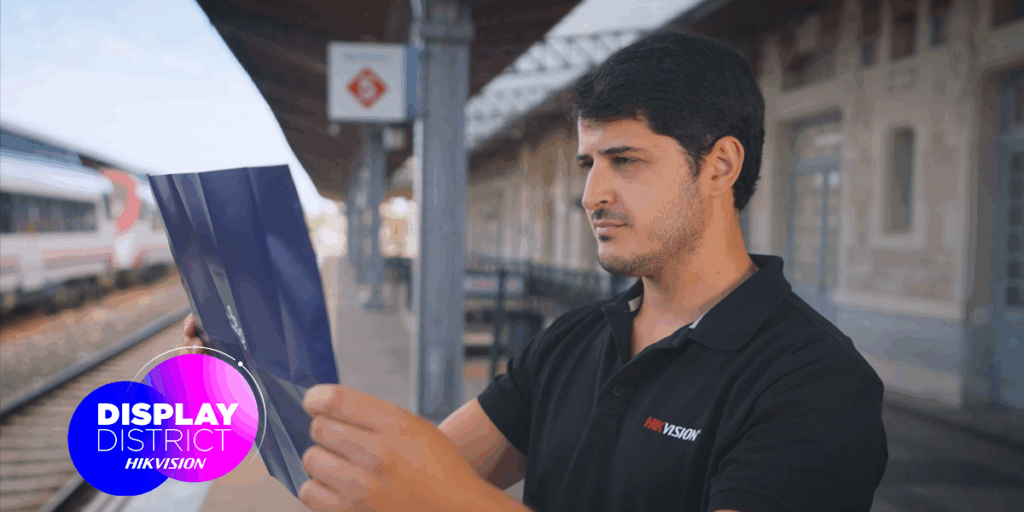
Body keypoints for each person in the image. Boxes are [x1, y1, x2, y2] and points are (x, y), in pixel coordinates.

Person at [182, 31, 888, 512]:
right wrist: (260, 369)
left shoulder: (817, 383)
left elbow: (442, 492)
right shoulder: (572, 341)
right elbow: (400, 476)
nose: (591, 194)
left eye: (626, 160)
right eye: (588, 164)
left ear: (720, 166)